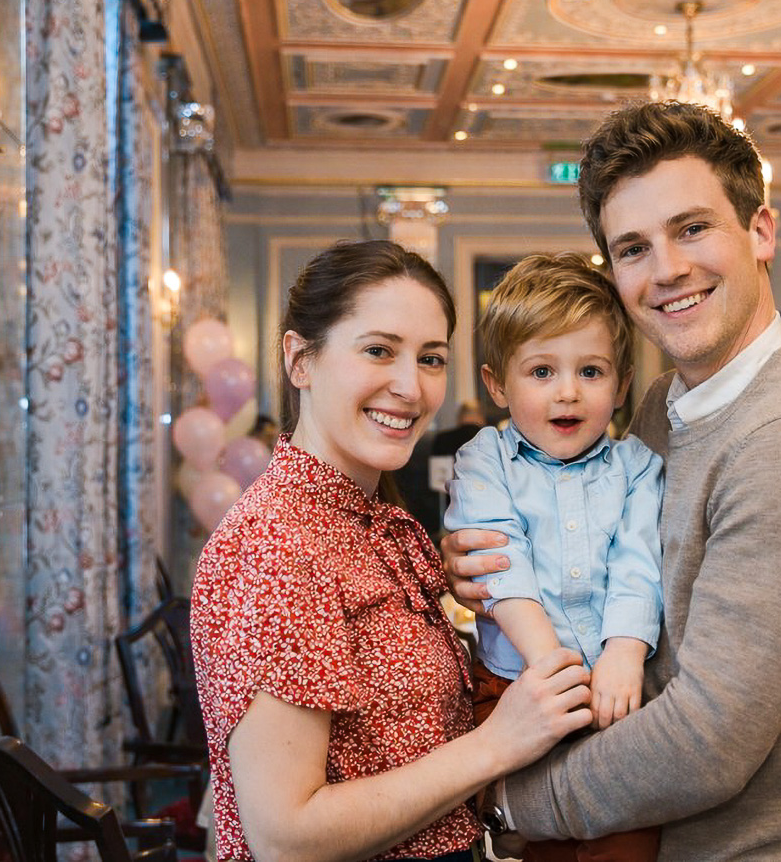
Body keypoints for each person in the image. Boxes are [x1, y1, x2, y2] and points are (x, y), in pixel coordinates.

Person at [445, 102, 781, 860]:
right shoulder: (661, 407)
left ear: (760, 231)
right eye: (633, 247)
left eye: (692, 228)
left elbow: (705, 741)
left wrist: (502, 802)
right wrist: (486, 560)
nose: (666, 270)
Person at [190, 240, 593, 862]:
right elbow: (287, 838)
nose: (410, 386)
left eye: (430, 358)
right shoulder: (279, 546)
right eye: (379, 350)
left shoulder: (364, 520)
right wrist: (497, 746)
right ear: (301, 360)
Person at [444, 252, 664, 862]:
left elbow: (638, 563)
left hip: (612, 686)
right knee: (531, 841)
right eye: (541, 372)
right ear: (497, 385)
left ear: (620, 386)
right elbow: (499, 560)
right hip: (516, 681)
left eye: (591, 371)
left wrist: (624, 652)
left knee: (628, 834)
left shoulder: (638, 467)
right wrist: (550, 667)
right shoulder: (483, 459)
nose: (568, 391)